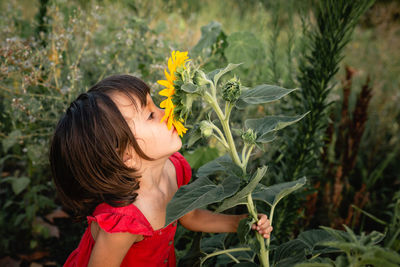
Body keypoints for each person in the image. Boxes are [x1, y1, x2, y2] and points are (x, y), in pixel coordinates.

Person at [49, 74, 273, 267]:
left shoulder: (173, 168)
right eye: (150, 115)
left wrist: (241, 223)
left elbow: (189, 216)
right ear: (125, 155)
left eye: (154, 104)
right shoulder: (123, 223)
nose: (165, 111)